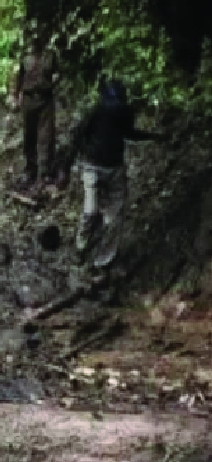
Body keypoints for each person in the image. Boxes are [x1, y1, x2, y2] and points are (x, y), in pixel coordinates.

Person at [69, 78, 168, 280]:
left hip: (114, 168)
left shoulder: (122, 113)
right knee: (91, 211)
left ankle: (102, 261)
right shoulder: (97, 112)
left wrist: (152, 137)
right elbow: (78, 134)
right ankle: (81, 247)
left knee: (114, 217)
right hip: (93, 167)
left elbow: (129, 133)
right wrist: (81, 155)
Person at [14, 38, 60, 190]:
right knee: (29, 136)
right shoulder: (25, 56)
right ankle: (30, 170)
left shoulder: (50, 56)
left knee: (46, 137)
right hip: (28, 100)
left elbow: (57, 73)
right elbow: (18, 77)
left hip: (45, 99)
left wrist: (52, 84)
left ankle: (45, 173)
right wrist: (15, 96)